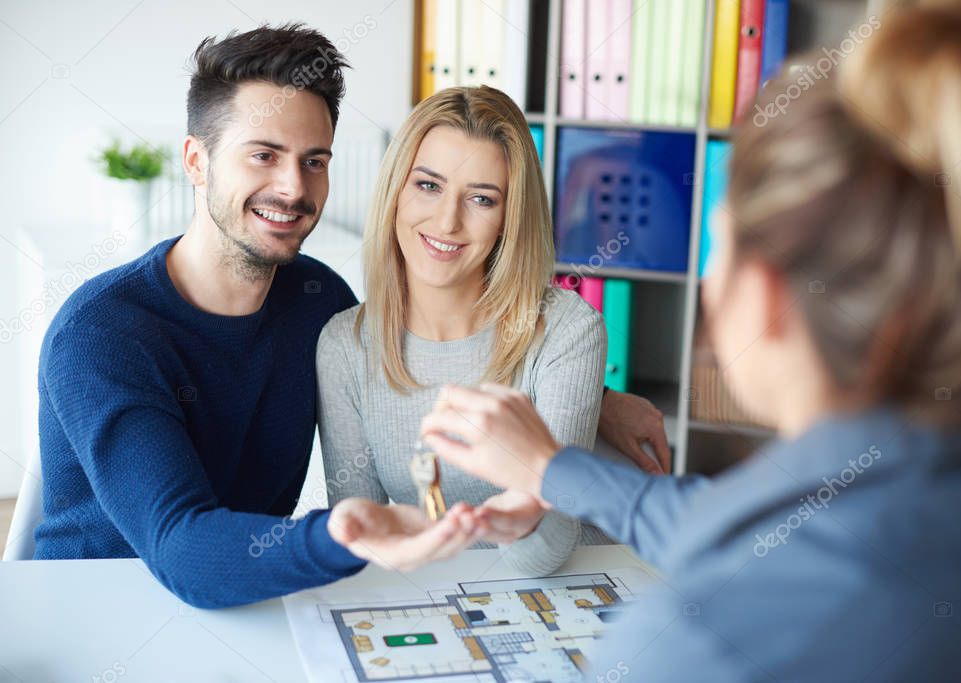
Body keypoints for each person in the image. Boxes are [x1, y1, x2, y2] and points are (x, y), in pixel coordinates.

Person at [418, 1, 961, 679]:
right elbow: (760, 531)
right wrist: (553, 468)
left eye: (716, 241)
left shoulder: (707, 640)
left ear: (761, 295)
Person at [33, 24, 670, 607]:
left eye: (315, 160)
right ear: (196, 161)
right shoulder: (103, 335)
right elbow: (182, 548)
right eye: (263, 154)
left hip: (254, 604)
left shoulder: (315, 301)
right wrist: (344, 539)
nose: (292, 187)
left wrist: (597, 400)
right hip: (103, 608)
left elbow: (442, 348)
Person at [317, 85, 617, 576]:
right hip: (435, 591)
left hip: (571, 586)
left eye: (481, 198)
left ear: (508, 219)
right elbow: (365, 544)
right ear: (395, 190)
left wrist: (509, 519)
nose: (447, 221)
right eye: (428, 186)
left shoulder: (568, 330)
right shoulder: (343, 345)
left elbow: (550, 550)